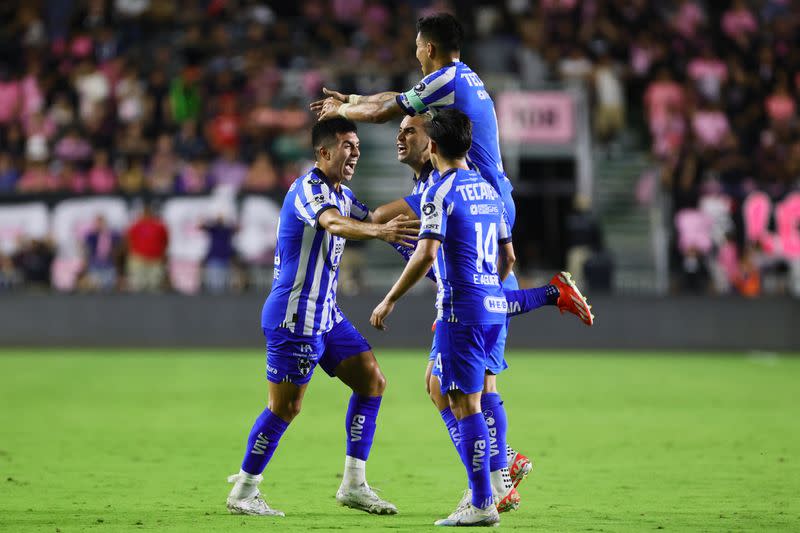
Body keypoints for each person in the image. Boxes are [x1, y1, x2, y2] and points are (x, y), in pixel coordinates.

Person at [314, 12, 594, 511]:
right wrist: (349, 104)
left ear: (428, 47)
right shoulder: (456, 100)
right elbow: (387, 123)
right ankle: (497, 460)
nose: (406, 134)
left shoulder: (445, 92)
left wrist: (349, 110)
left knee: (476, 378)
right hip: (491, 203)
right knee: (446, 376)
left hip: (481, 199)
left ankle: (494, 476)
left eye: (413, 131)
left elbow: (386, 109)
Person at [225, 117, 418, 517]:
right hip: (295, 318)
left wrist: (425, 198)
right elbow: (332, 223)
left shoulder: (341, 193)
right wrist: (379, 235)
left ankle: (354, 483)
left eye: (358, 146)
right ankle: (244, 490)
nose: (355, 153)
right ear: (323, 152)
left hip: (326, 315)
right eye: (347, 145)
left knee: (372, 381)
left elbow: (374, 217)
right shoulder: (308, 189)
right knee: (285, 408)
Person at [370, 110, 511, 527]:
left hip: (460, 311)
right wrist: (489, 288)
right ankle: (487, 484)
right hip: (491, 308)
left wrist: (389, 299)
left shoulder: (440, 192)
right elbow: (509, 257)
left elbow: (426, 253)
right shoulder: (488, 190)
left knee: (466, 406)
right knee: (442, 388)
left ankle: (485, 497)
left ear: (432, 146)